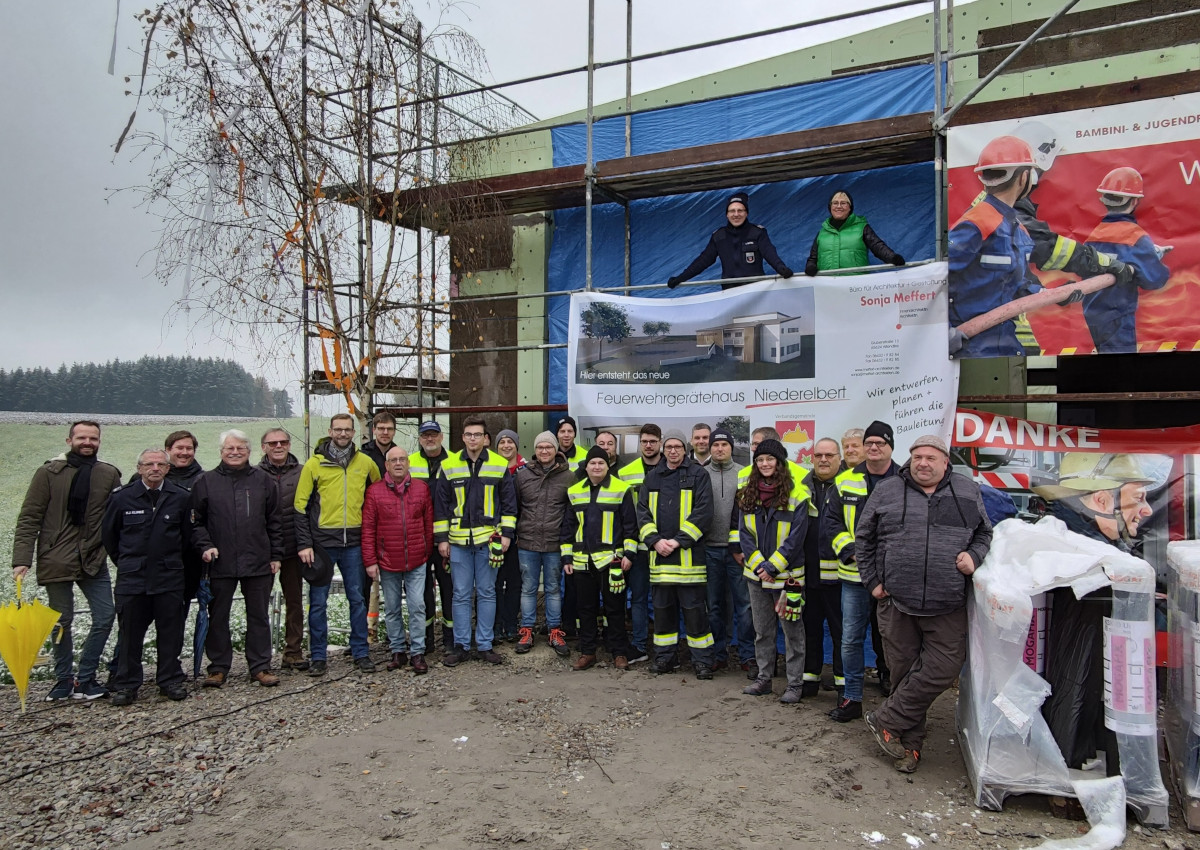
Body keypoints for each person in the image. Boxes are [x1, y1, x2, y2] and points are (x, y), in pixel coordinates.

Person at [857, 435, 992, 773]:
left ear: (945, 462)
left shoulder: (965, 491)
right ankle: (909, 747)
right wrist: (873, 582)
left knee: (944, 667)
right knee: (904, 672)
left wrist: (974, 556)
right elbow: (865, 538)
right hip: (897, 602)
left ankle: (886, 717)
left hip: (947, 602)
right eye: (917, 457)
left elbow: (984, 533)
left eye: (931, 458)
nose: (923, 463)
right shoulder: (888, 490)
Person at [12, 420, 121, 701]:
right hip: (56, 558)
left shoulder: (108, 474)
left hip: (93, 558)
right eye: (82, 437)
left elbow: (117, 517)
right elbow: (29, 517)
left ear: (99, 441)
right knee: (62, 621)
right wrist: (21, 559)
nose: (88, 442)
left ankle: (86, 678)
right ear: (69, 440)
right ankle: (62, 680)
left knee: (105, 615)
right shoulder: (48, 473)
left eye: (93, 438)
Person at [191, 429, 283, 688]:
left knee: (258, 616)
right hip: (219, 561)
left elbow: (274, 520)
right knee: (218, 615)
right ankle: (218, 667)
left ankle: (260, 667)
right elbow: (195, 522)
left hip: (258, 560)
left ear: (249, 452)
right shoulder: (205, 482)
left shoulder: (263, 481)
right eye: (230, 448)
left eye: (240, 448)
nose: (235, 452)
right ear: (221, 452)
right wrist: (205, 545)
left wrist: (276, 555)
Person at [102, 449, 193, 705]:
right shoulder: (122, 498)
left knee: (170, 633)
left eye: (160, 464)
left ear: (167, 469)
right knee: (130, 635)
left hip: (169, 577)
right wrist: (129, 563)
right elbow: (110, 537)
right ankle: (127, 685)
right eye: (149, 464)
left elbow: (187, 538)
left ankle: (170, 680)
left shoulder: (181, 498)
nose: (154, 468)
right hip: (133, 579)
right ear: (139, 468)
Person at [294, 414, 382, 676]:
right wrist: (304, 544)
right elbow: (300, 508)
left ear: (354, 432)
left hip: (354, 542)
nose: (343, 434)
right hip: (321, 544)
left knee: (357, 598)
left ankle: (360, 652)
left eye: (347, 430)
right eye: (338, 430)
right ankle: (318, 656)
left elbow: (378, 499)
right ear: (330, 431)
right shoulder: (314, 465)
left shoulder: (366, 463)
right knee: (318, 601)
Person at [823, 420, 899, 722]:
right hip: (854, 578)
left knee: (895, 641)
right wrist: (851, 551)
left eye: (880, 443)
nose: (873, 448)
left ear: (891, 446)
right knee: (851, 639)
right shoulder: (846, 481)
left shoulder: (905, 481)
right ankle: (852, 698)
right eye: (869, 443)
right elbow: (833, 522)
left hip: (893, 579)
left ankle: (896, 700)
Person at [434, 415, 518, 666]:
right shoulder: (448, 465)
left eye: (477, 435)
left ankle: (484, 644)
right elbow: (441, 506)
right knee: (460, 594)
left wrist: (507, 534)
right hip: (457, 542)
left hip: (488, 541)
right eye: (469, 434)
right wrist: (442, 540)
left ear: (485, 439)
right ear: (463, 438)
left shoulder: (498, 464)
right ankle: (461, 646)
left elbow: (509, 505)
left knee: (487, 592)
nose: (473, 439)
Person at [948, 135, 1039, 358]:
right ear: (1024, 177)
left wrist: (1052, 293)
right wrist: (942, 332)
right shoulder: (977, 223)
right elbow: (938, 279)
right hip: (971, 348)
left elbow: (1017, 285)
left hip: (1005, 345)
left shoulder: (1019, 230)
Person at [737, 439, 811, 703]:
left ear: (780, 463)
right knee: (762, 631)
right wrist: (759, 566)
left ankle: (794, 684)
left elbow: (796, 537)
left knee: (792, 633)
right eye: (760, 460)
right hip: (756, 577)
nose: (765, 464)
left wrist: (772, 567)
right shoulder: (747, 493)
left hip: (787, 579)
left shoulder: (798, 494)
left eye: (770, 459)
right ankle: (764, 679)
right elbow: (744, 534)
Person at [637, 429, 715, 677]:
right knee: (662, 613)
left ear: (685, 448)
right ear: (663, 448)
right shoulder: (652, 477)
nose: (673, 451)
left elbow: (704, 512)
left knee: (695, 615)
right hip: (660, 560)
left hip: (689, 562)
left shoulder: (698, 474)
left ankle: (702, 661)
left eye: (677, 447)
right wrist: (655, 541)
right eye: (668, 447)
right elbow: (642, 513)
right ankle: (665, 658)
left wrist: (679, 542)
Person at [561, 446, 638, 670]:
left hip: (611, 561)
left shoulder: (621, 489)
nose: (596, 467)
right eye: (592, 463)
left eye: (601, 463)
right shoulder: (574, 491)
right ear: (586, 466)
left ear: (607, 466)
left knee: (615, 609)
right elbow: (568, 526)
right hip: (582, 561)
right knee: (586, 608)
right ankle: (588, 652)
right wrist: (566, 558)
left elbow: (630, 526)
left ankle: (619, 652)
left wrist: (629, 554)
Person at [1082, 167, 1170, 353]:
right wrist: (1156, 259)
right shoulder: (1134, 236)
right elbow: (1155, 279)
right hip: (1117, 316)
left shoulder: (1096, 233)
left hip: (1093, 312)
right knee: (1121, 371)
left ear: (1104, 199)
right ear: (1135, 200)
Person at [362, 446, 432, 675]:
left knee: (417, 606)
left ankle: (418, 651)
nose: (399, 463)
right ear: (387, 465)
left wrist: (426, 552)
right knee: (392, 608)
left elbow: (428, 524)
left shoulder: (421, 489)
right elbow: (368, 528)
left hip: (416, 559)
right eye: (394, 460)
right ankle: (397, 651)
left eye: (402, 459)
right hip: (387, 560)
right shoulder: (375, 492)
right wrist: (371, 560)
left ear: (408, 463)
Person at [514, 431, 573, 656]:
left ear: (556, 449)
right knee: (528, 588)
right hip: (527, 542)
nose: (544, 451)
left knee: (553, 588)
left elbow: (570, 512)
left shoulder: (569, 477)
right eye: (540, 448)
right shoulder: (523, 476)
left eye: (548, 447)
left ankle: (554, 630)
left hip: (554, 544)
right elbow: (516, 507)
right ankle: (527, 630)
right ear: (535, 451)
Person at [668, 191, 794, 290]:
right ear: (727, 214)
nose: (736, 214)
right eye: (732, 211)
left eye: (740, 210)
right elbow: (703, 261)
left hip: (756, 292)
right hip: (730, 294)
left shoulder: (758, 232)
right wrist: (681, 278)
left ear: (746, 213)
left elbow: (769, 253)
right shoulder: (718, 236)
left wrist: (781, 268)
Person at [703, 428, 753, 674]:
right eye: (715, 445)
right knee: (713, 607)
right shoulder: (700, 475)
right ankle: (718, 654)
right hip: (709, 550)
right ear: (709, 448)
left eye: (724, 444)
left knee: (744, 606)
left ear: (731, 447)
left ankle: (747, 656)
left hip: (737, 553)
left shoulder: (744, 475)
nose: (719, 449)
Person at [258, 427, 307, 671]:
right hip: (262, 551)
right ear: (263, 447)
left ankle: (293, 652)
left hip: (293, 547)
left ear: (289, 445)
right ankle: (260, 657)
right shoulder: (253, 475)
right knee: (258, 606)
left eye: (283, 442)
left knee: (295, 602)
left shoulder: (302, 472)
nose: (278, 446)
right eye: (273, 443)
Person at [617, 423, 665, 662]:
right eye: (644, 441)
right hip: (638, 547)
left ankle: (667, 647)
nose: (648, 445)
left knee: (666, 600)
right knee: (637, 598)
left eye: (652, 441)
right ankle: (639, 646)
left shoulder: (673, 468)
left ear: (660, 442)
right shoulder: (627, 472)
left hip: (666, 547)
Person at [802, 437, 844, 699]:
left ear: (839, 458)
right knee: (809, 629)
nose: (824, 460)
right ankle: (810, 680)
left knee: (842, 633)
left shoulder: (849, 486)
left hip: (839, 576)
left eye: (829, 455)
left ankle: (843, 685)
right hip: (807, 573)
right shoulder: (802, 487)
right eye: (818, 455)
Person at [804, 190, 904, 275]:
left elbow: (877, 246)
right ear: (830, 207)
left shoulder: (862, 227)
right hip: (828, 288)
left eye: (843, 203)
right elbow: (813, 258)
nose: (839, 206)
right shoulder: (822, 232)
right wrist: (810, 266)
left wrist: (892, 257)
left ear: (850, 208)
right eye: (835, 203)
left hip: (856, 287)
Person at [493, 429, 526, 642]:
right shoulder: (490, 469)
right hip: (493, 536)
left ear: (516, 445)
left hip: (518, 537)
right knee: (494, 584)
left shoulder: (526, 470)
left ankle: (512, 625)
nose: (506, 445)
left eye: (510, 442)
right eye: (502, 442)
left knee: (514, 583)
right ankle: (495, 626)